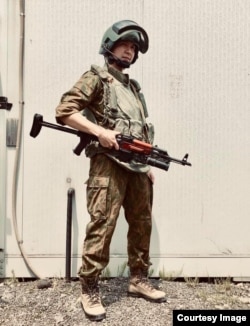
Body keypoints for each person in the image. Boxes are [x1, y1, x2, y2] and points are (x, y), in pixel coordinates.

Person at [55, 20, 166, 321]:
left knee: (142, 222)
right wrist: (97, 131)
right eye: (125, 45)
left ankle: (138, 279)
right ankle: (89, 287)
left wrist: (148, 165)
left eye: (133, 48)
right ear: (110, 45)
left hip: (137, 166)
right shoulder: (97, 78)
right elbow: (65, 110)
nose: (130, 51)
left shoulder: (133, 88)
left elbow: (140, 130)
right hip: (108, 163)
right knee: (103, 224)